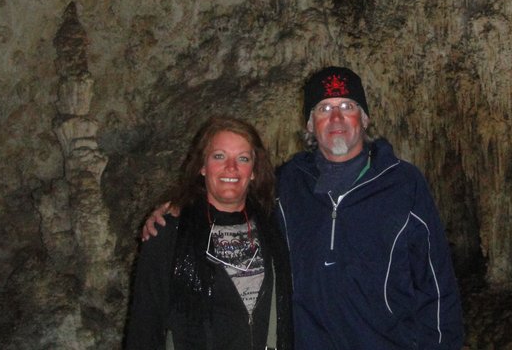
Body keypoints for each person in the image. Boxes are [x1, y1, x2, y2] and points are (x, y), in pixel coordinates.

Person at [144, 67, 464, 349]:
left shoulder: (403, 184)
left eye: (347, 106)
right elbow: (230, 196)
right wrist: (183, 207)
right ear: (310, 125)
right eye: (324, 108)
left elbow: (436, 282)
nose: (336, 118)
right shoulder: (286, 185)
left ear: (364, 118)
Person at [126, 115, 293, 350]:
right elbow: (145, 325)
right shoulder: (170, 232)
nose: (231, 168)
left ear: (254, 170)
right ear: (202, 167)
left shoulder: (271, 226)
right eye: (219, 156)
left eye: (242, 158)